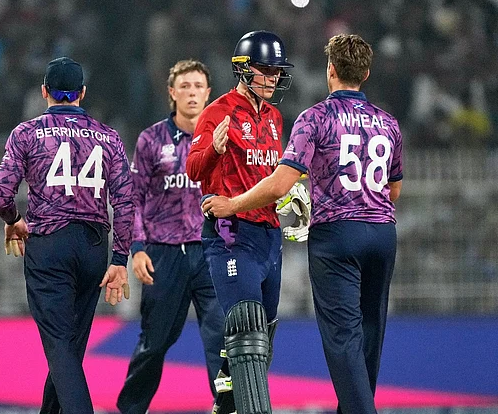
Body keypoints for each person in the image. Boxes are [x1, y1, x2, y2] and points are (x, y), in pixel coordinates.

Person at [202, 34, 403, 414]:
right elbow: (393, 189)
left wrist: (232, 204)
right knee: (370, 333)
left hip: (337, 237)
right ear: (366, 73)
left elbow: (280, 183)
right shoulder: (387, 122)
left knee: (343, 339)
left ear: (330, 70)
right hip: (381, 232)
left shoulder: (316, 117)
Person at [0, 56, 134, 414]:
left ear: (44, 92)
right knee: (68, 349)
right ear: (82, 93)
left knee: (59, 348)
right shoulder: (109, 136)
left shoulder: (25, 133)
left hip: (49, 245)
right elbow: (127, 202)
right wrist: (119, 259)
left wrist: (14, 219)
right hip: (93, 247)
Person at [186, 30, 294, 414]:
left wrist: (291, 199)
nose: (274, 78)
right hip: (231, 234)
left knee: (261, 336)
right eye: (266, 70)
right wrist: (214, 150)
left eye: (278, 71)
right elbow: (193, 168)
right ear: (244, 70)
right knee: (247, 329)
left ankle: (225, 403)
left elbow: (271, 175)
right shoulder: (218, 112)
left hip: (269, 235)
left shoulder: (276, 117)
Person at [117, 59, 225, 414]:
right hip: (164, 254)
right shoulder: (151, 140)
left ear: (209, 93)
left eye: (198, 86)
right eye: (185, 86)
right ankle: (131, 409)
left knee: (220, 340)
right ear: (172, 93)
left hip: (212, 252)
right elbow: (134, 197)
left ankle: (227, 407)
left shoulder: (222, 138)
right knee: (155, 342)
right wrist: (136, 248)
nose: (192, 93)